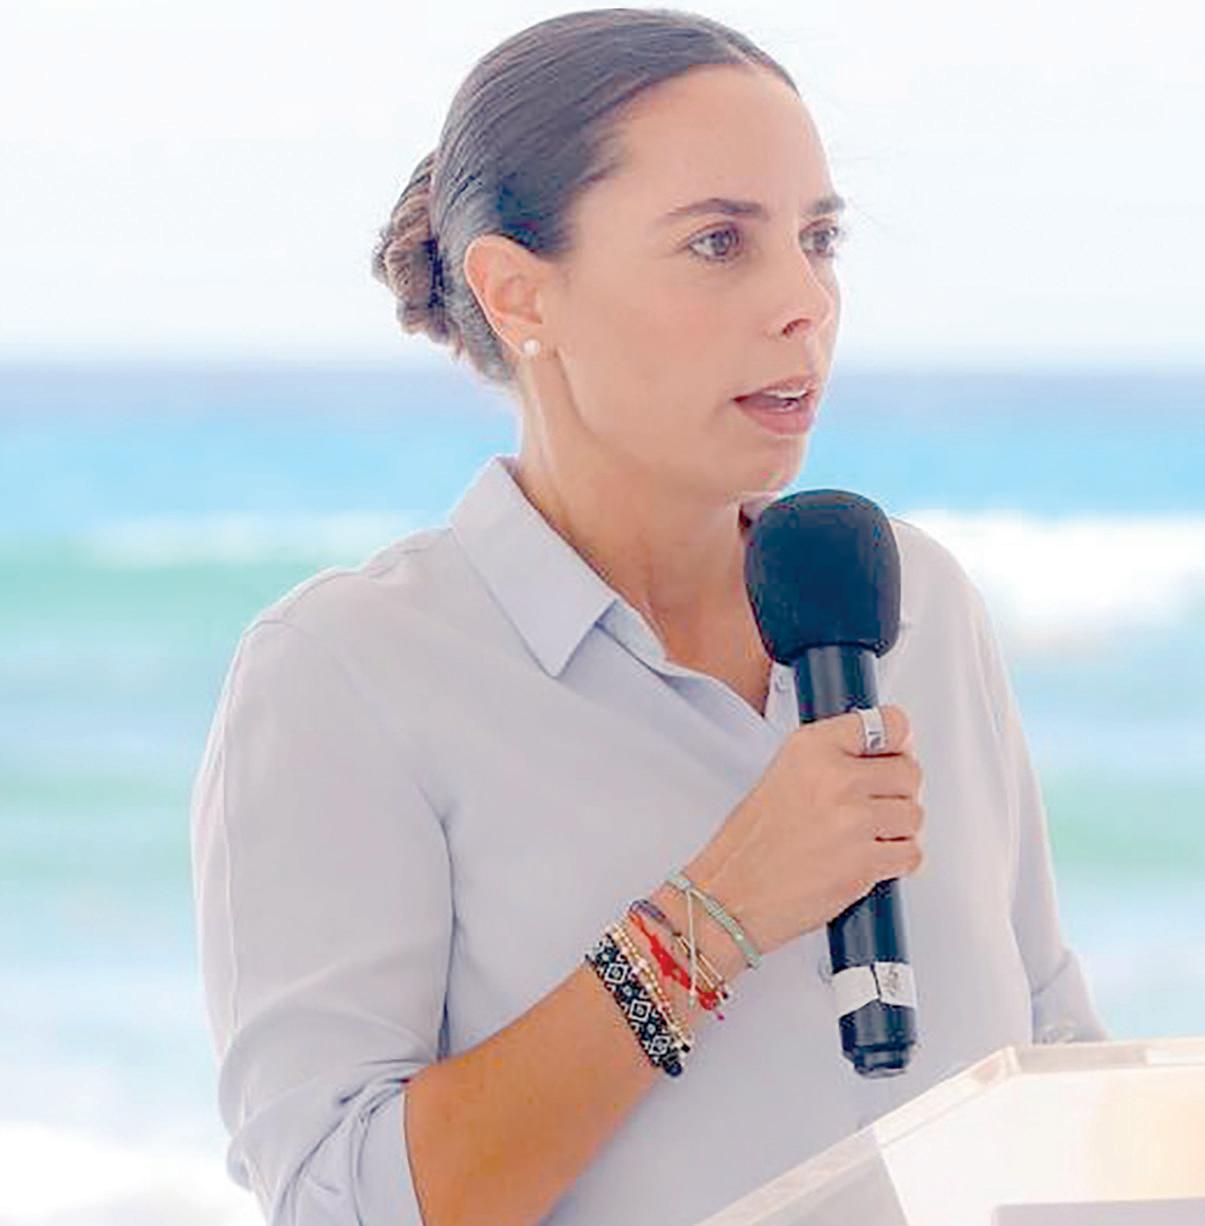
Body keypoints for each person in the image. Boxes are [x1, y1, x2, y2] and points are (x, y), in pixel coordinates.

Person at [188, 9, 1108, 1226]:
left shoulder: (914, 600)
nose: (805, 302)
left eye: (819, 239)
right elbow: (337, 1200)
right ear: (520, 294)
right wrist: (717, 913)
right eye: (719, 243)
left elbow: (1049, 1043)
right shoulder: (347, 673)